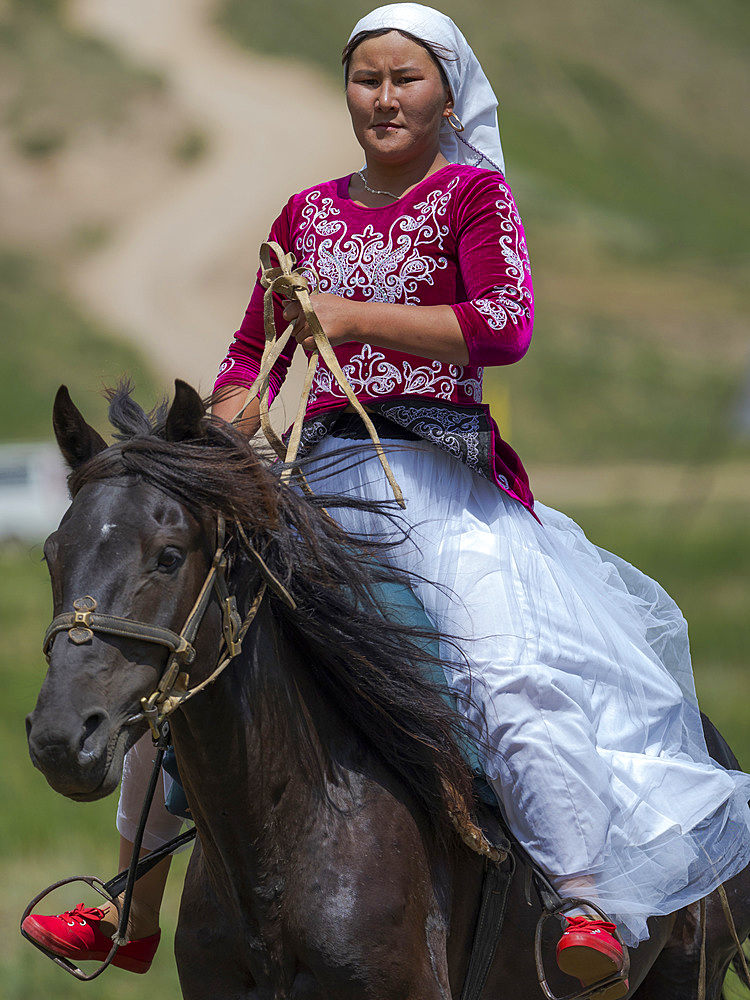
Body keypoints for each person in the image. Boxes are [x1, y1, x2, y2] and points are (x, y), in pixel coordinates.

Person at [23, 4, 750, 997]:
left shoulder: (473, 198)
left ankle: (584, 894)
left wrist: (354, 315)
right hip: (314, 480)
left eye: (406, 78)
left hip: (438, 483)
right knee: (190, 655)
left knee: (505, 673)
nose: (385, 97)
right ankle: (131, 904)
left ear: (446, 92)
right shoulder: (303, 214)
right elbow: (248, 357)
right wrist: (228, 426)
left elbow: (506, 326)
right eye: (367, 78)